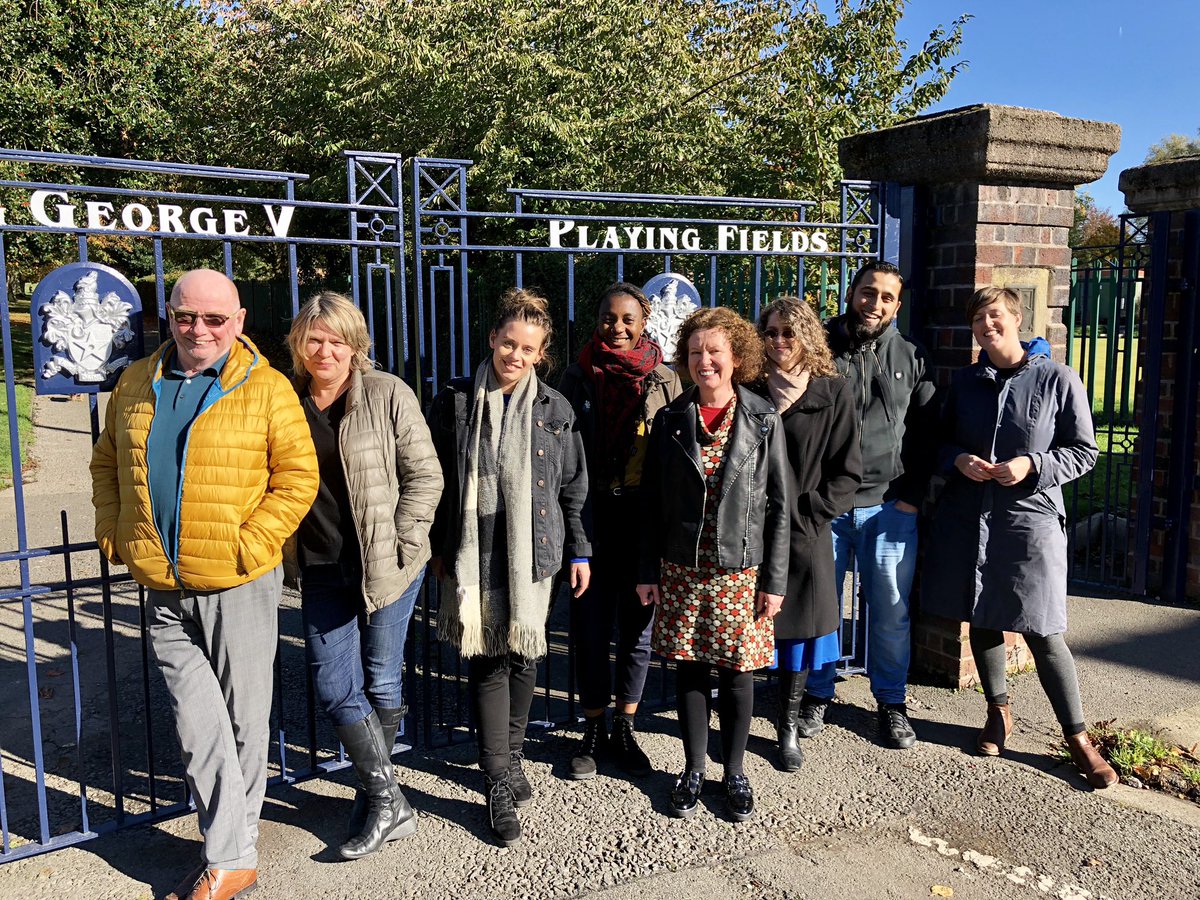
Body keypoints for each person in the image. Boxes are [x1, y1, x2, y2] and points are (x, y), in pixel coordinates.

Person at [91, 269, 318, 900]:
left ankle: (229, 856)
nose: (200, 330)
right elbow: (108, 460)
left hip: (238, 581)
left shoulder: (267, 388)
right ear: (168, 316)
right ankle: (233, 851)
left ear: (238, 322)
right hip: (162, 581)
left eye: (215, 319)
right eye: (187, 316)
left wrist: (249, 542)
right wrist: (115, 530)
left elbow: (297, 478)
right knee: (197, 721)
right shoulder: (136, 382)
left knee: (243, 721)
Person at [921, 286, 1117, 789]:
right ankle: (997, 711)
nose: (988, 325)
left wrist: (1034, 464)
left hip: (1030, 521)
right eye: (979, 319)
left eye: (996, 316)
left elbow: (1084, 452)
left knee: (1043, 629)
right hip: (970, 516)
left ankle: (1077, 738)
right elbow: (936, 444)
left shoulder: (1057, 378)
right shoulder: (964, 383)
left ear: (1016, 319)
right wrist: (957, 459)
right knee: (982, 616)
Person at [427, 288, 591, 847]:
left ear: (541, 354)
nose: (515, 356)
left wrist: (581, 549)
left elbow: (573, 487)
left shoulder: (556, 409)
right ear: (492, 338)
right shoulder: (453, 401)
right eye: (508, 343)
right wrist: (437, 547)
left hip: (532, 552)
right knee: (490, 659)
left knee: (524, 654)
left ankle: (511, 757)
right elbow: (436, 484)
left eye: (528, 349)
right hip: (474, 549)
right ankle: (497, 778)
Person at [284, 292, 443, 859]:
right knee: (333, 683)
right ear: (299, 344)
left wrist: (405, 541)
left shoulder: (386, 393)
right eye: (314, 339)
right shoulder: (284, 399)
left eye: (338, 340)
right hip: (322, 564)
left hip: (388, 565)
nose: (325, 350)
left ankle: (378, 799)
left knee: (381, 681)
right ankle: (387, 794)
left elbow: (425, 474)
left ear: (356, 346)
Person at [636, 306, 789, 822]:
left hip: (741, 571)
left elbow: (780, 507)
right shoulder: (671, 420)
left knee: (738, 673)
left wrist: (774, 580)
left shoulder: (764, 419)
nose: (705, 361)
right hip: (682, 568)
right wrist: (645, 570)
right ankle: (693, 769)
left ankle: (736, 771)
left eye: (715, 351)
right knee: (691, 670)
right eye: (696, 352)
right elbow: (652, 501)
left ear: (737, 357)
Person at [797, 260, 937, 750]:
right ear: (851, 292)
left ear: (897, 305)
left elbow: (927, 436)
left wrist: (914, 500)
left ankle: (891, 702)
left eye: (885, 297)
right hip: (825, 508)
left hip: (889, 507)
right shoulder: (818, 349)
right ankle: (815, 693)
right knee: (820, 608)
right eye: (866, 292)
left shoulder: (912, 354)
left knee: (891, 612)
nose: (873, 304)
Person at [557, 282, 681, 780]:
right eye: (610, 317)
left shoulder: (667, 380)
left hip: (641, 518)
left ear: (644, 321)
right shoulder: (576, 375)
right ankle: (592, 727)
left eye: (628, 319)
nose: (618, 327)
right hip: (589, 513)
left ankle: (626, 727)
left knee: (637, 629)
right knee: (588, 629)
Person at [754, 297, 862, 773]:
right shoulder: (750, 388)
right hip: (751, 531)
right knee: (748, 626)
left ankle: (788, 727)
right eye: (771, 332)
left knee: (796, 635)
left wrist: (811, 513)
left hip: (804, 530)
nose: (778, 342)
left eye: (788, 333)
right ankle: (738, 715)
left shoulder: (833, 392)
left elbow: (847, 473)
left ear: (807, 337)